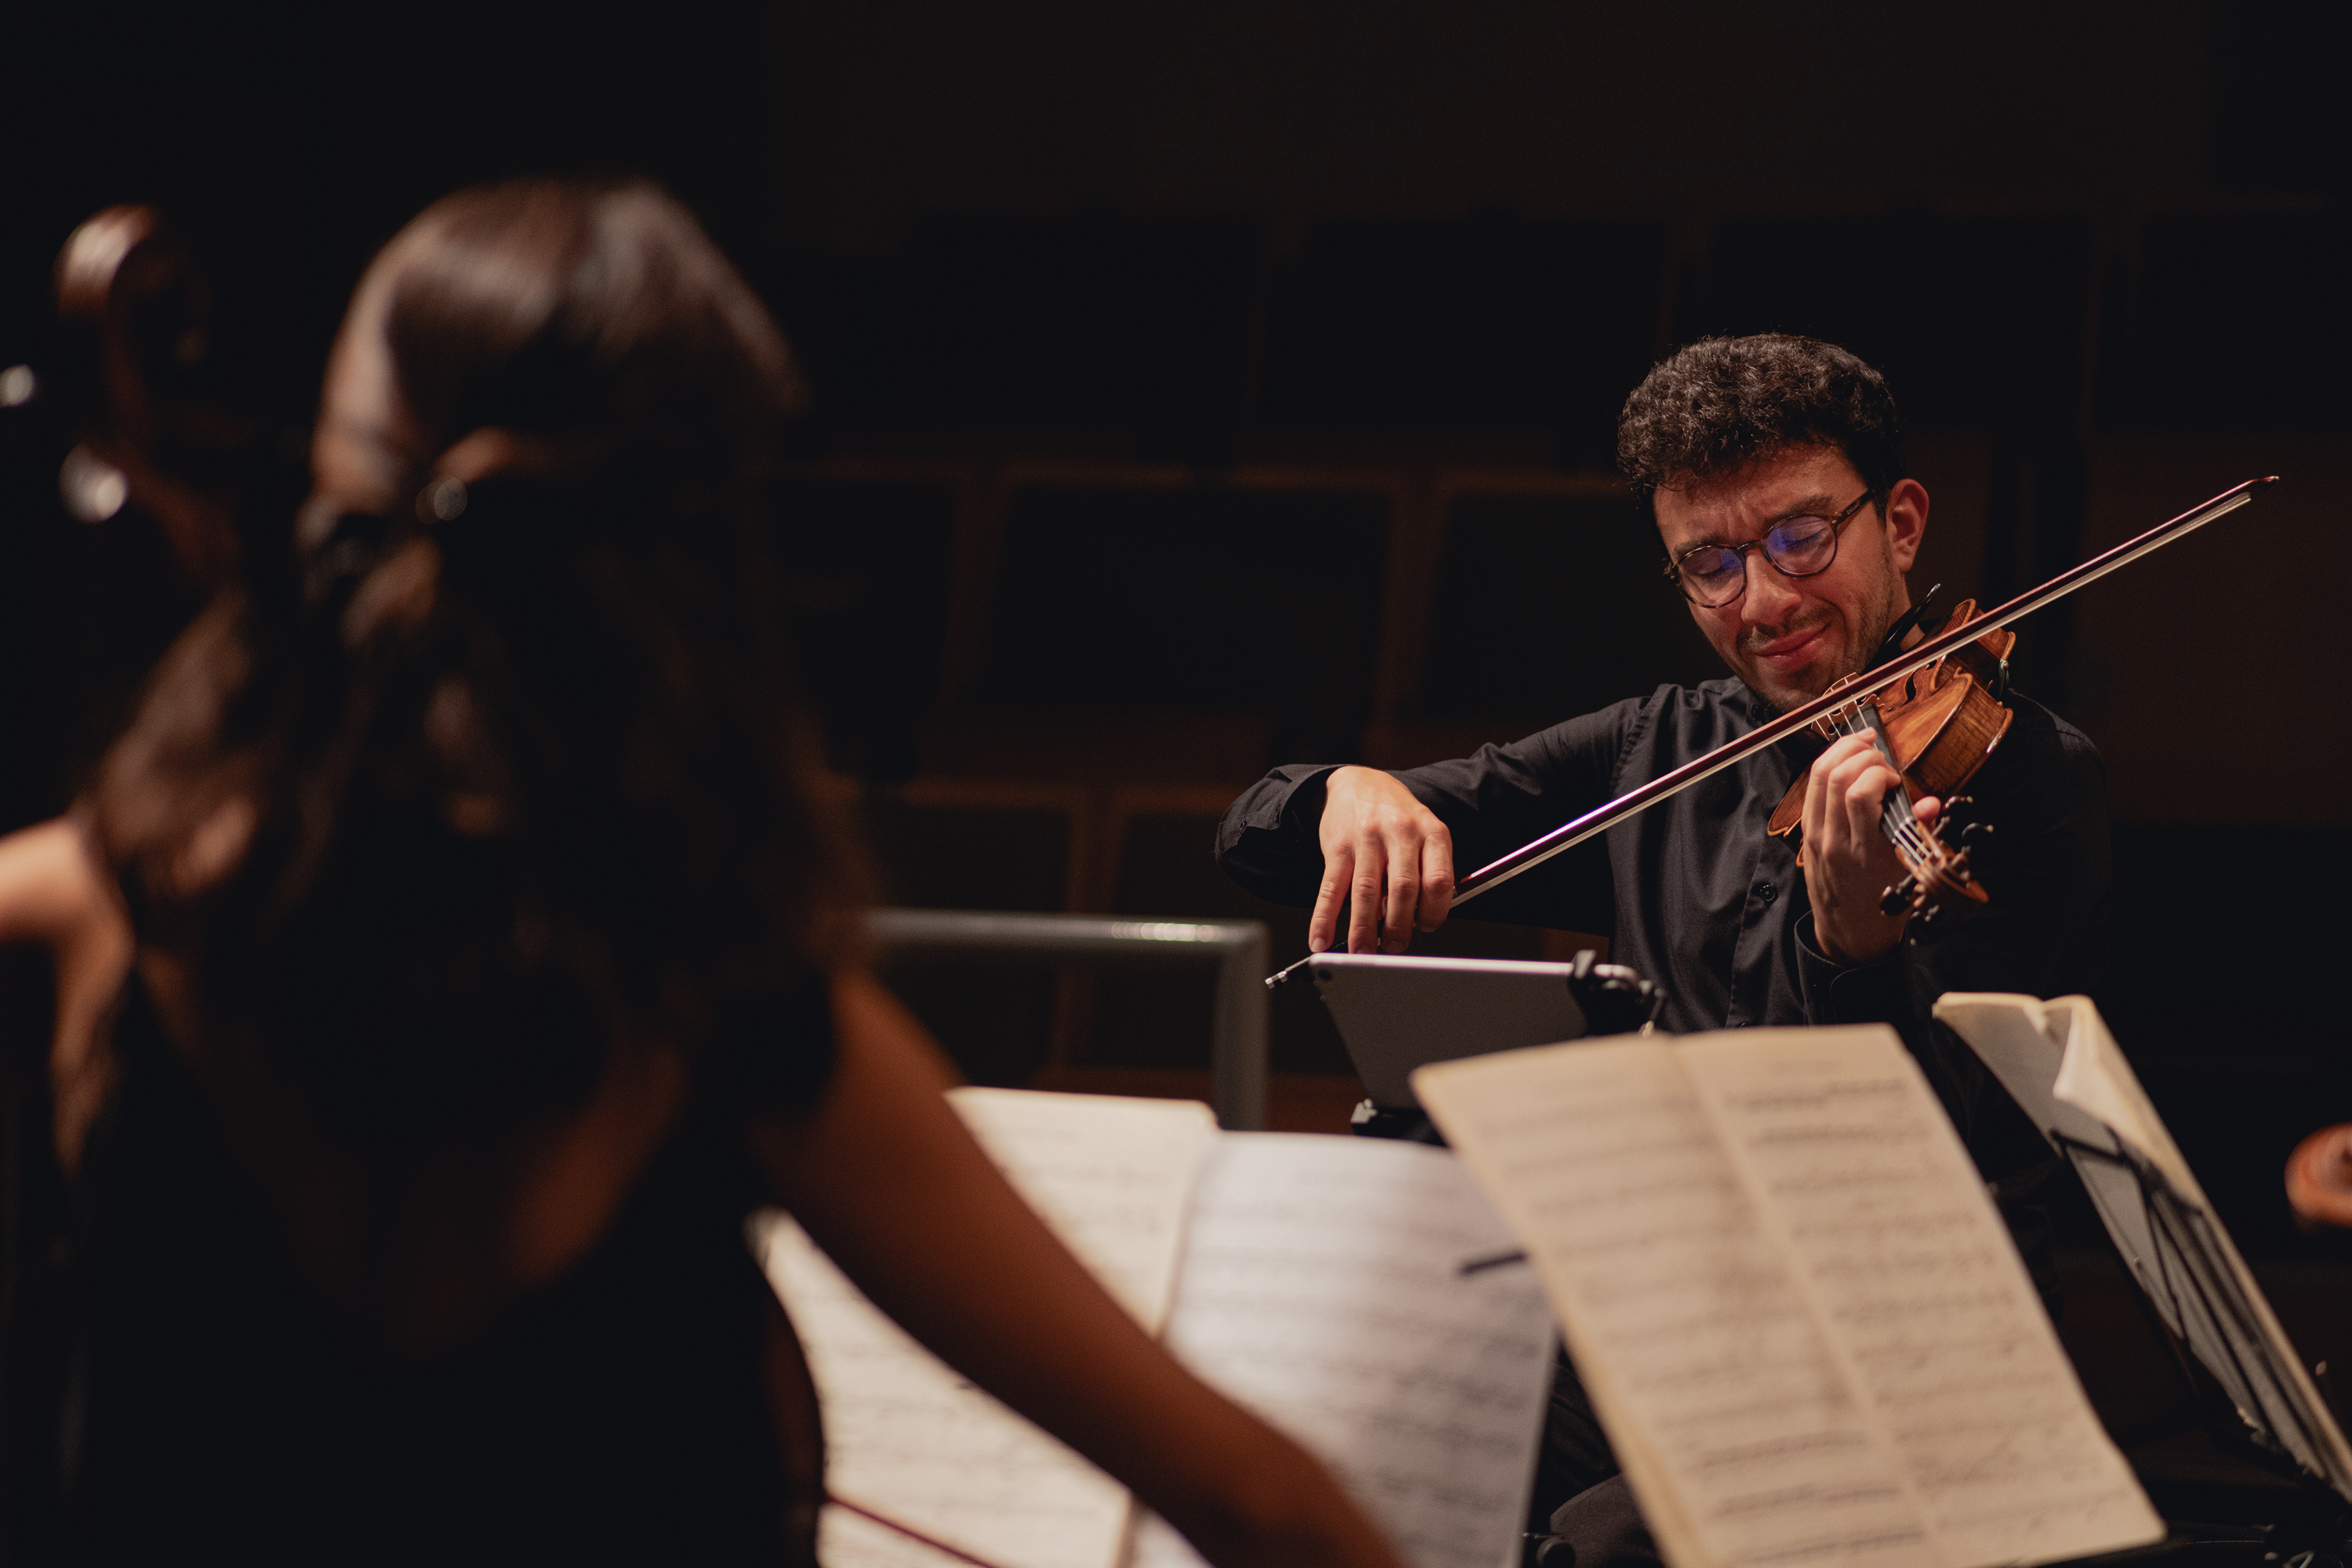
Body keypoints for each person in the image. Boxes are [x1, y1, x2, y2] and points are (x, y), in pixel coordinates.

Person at [3, 180, 1407, 1568]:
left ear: (338, 469)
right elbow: (1260, 1507)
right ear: (696, 559)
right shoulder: (715, 992)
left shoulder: (89, 909)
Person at [1215, 333, 2111, 1563]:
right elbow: (1258, 839)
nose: (1766, 600)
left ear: (1899, 523)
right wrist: (1341, 794)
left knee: (1608, 1545)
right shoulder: (1659, 753)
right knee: (1360, 1437)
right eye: (1712, 563)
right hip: (1674, 1330)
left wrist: (1851, 951)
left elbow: (1944, 1144)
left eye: (1802, 537)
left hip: (1910, 1359)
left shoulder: (2022, 776)